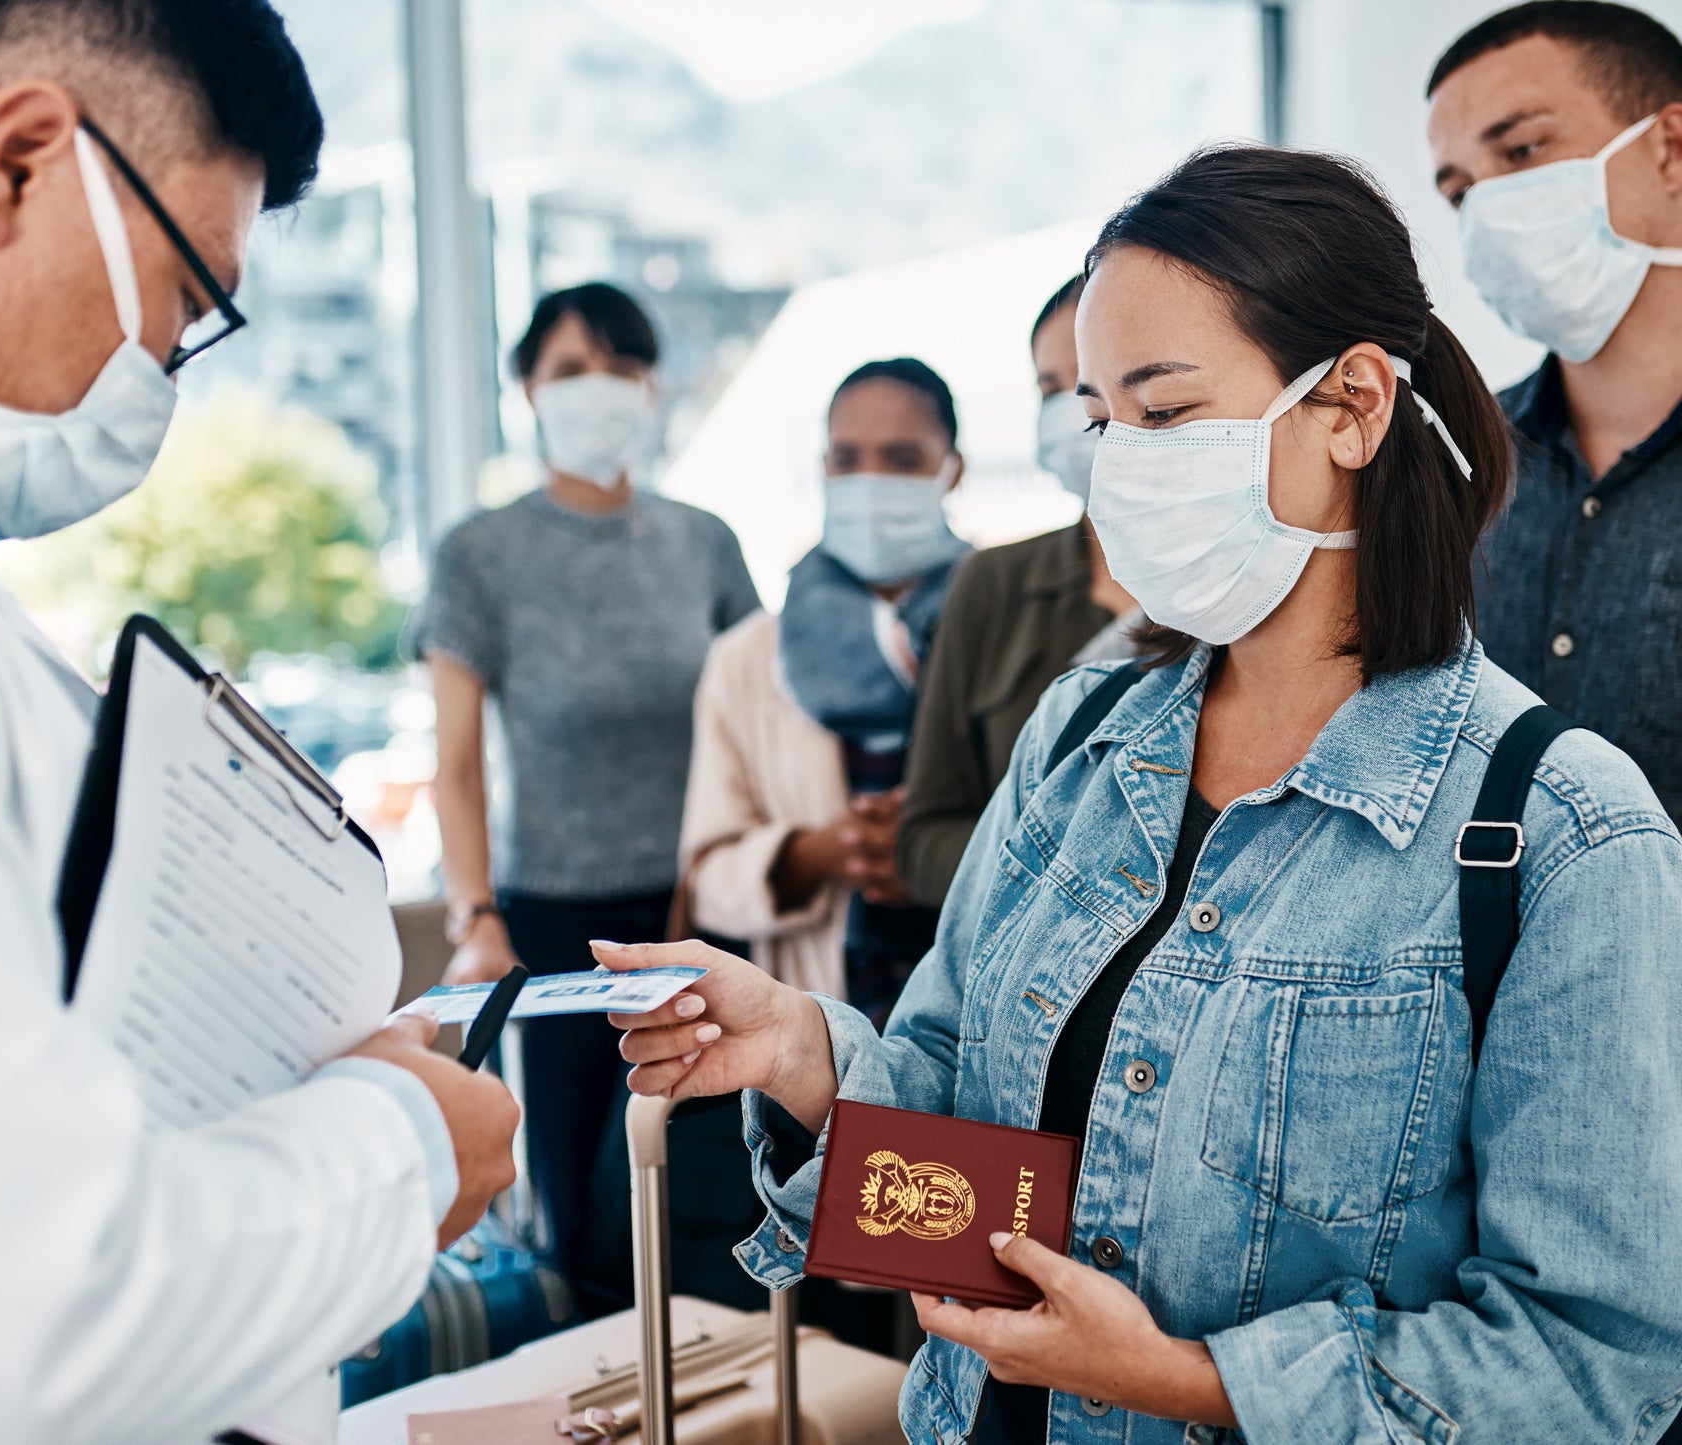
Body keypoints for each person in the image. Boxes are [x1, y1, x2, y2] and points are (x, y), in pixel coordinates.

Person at [600, 144, 1682, 1442]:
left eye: (1166, 412)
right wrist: (812, 1066)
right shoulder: (1077, 743)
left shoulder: (1561, 841)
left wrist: (1182, 1381)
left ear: (1352, 405)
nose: (1117, 464)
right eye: (1096, 420)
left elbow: (1591, 1365)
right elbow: (978, 1206)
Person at [0, 2, 519, 1440]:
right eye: (182, 304)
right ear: (16, 161)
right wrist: (398, 1146)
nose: (155, 381)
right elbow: (0, 1314)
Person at [1425, 5, 1682, 1435]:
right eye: (1454, 189)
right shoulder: (1452, 483)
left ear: (1666, 147)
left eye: (1519, 152)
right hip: (1465, 1232)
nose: (1486, 211)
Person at [406, 281, 759, 1306]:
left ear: (651, 389)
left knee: (707, 1194)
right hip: (554, 928)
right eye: (567, 369)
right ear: (526, 389)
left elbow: (753, 716)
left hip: (701, 912)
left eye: (618, 367)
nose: (595, 390)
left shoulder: (703, 542)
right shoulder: (481, 553)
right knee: (587, 1218)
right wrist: (475, 914)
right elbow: (458, 760)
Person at [679, 357, 971, 1018]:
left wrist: (941, 851)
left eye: (901, 458)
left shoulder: (1009, 629)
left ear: (954, 470)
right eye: (846, 459)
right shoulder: (748, 657)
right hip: (819, 1010)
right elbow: (707, 881)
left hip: (985, 1007)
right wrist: (820, 852)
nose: (869, 482)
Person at [897, 275, 1140, 908]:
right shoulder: (992, 584)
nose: (1077, 413)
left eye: (1093, 380)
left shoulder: (1232, 586)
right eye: (1053, 389)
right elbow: (922, 838)